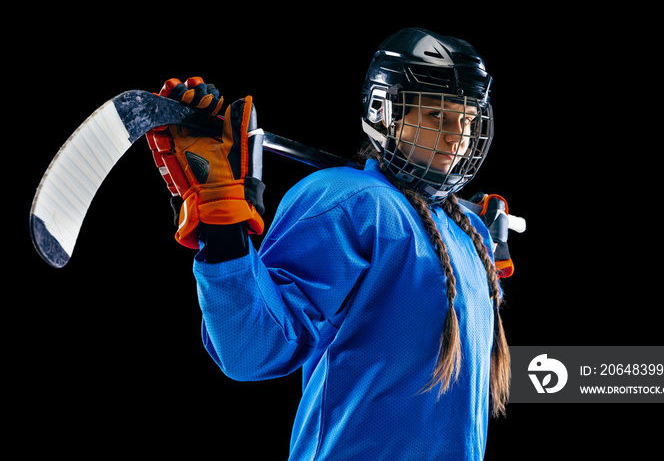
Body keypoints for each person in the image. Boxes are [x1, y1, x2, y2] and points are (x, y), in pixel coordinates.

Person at [147, 27, 511, 460]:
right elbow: (252, 348)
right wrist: (222, 227)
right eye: (438, 116)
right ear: (385, 112)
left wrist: (488, 252)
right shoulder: (353, 203)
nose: (457, 135)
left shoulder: (464, 231)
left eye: (467, 119)